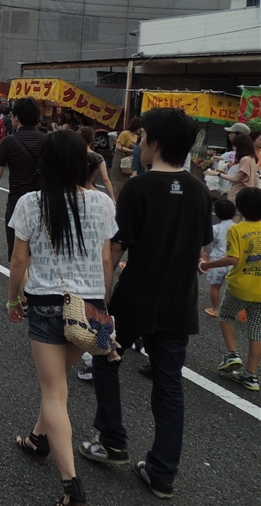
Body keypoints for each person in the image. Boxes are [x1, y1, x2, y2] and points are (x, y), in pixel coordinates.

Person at [80, 108, 213, 501]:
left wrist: (101, 298)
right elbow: (201, 244)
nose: (140, 144)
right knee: (169, 384)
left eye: (142, 138)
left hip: (131, 299)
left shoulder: (138, 188)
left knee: (103, 357)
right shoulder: (199, 190)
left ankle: (112, 439)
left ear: (154, 143)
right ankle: (162, 473)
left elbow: (115, 249)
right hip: (179, 303)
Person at [7, 130, 116, 506]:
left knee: (54, 392)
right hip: (88, 306)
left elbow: (19, 260)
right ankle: (38, 440)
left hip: (47, 303)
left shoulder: (31, 202)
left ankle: (72, 487)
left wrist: (12, 300)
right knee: (57, 384)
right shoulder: (102, 203)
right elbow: (106, 260)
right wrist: (103, 303)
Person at [200, 187, 260, 392]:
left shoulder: (237, 229)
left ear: (239, 209)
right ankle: (251, 375)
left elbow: (233, 259)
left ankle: (233, 354)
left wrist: (207, 265)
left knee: (225, 315)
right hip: (260, 289)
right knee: (257, 331)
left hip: (240, 286)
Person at [0, 97, 46, 261]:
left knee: (18, 254)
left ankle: (21, 278)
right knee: (38, 252)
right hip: (43, 201)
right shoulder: (47, 140)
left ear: (17, 117)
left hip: (17, 201)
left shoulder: (9, 142)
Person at [203, 198, 237, 318]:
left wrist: (203, 253)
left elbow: (206, 241)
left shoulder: (216, 228)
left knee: (215, 287)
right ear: (234, 213)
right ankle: (234, 310)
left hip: (217, 262)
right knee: (233, 289)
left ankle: (216, 309)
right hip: (233, 262)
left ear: (217, 214)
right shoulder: (237, 227)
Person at [206, 133, 258, 208]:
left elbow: (236, 178)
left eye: (235, 145)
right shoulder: (252, 158)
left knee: (234, 214)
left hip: (237, 193)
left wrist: (217, 174)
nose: (234, 148)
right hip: (245, 194)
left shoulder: (245, 159)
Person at [78, 126, 115, 203]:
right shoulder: (98, 157)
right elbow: (105, 179)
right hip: (90, 189)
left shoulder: (72, 154)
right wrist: (112, 199)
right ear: (92, 141)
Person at [110, 116, 142, 196]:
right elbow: (118, 147)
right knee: (117, 182)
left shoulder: (137, 137)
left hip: (129, 161)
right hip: (120, 158)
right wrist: (131, 151)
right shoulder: (124, 134)